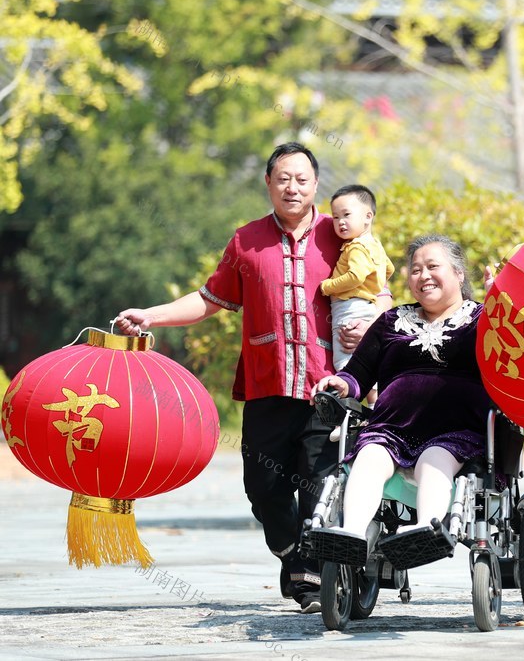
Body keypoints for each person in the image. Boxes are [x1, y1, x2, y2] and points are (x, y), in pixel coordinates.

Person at [115, 142, 391, 614]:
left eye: (302, 179)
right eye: (283, 178)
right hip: (267, 386)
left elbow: (379, 293)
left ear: (315, 186)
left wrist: (373, 324)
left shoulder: (341, 234)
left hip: (331, 386)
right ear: (268, 183)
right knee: (263, 489)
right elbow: (209, 299)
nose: (292, 187)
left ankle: (316, 579)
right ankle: (293, 554)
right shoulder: (246, 241)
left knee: (321, 482)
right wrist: (152, 316)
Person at [309, 235, 491, 565]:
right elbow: (359, 373)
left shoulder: (482, 319)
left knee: (433, 462)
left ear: (459, 274)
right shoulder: (392, 320)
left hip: (455, 429)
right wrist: (342, 381)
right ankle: (351, 535)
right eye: (416, 269)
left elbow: (512, 355)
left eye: (433, 267)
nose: (423, 276)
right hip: (392, 427)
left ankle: (425, 531)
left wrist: (500, 308)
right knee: (368, 458)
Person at [321, 184, 394, 409]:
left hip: (349, 307)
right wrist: (374, 285)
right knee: (365, 358)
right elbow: (389, 269)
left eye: (346, 215)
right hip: (367, 306)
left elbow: (355, 275)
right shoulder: (375, 245)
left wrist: (328, 286)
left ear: (367, 217)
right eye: (335, 217)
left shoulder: (355, 247)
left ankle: (346, 414)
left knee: (345, 361)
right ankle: (373, 405)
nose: (340, 222)